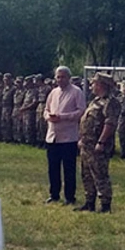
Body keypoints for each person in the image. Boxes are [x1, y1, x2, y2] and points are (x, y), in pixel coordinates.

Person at [75, 73, 121, 213]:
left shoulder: (110, 102)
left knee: (100, 175)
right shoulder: (95, 101)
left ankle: (105, 205)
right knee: (86, 174)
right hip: (87, 144)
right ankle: (89, 202)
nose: (91, 86)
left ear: (101, 85)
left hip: (98, 145)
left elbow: (110, 123)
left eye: (94, 83)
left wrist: (101, 142)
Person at [43, 66, 86, 205]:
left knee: (69, 169)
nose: (60, 79)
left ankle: (69, 197)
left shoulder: (76, 92)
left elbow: (81, 111)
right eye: (58, 77)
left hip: (68, 137)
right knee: (53, 168)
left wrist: (62, 117)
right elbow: (46, 109)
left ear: (69, 77)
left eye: (63, 77)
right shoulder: (53, 92)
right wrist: (48, 117)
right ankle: (54, 194)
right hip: (52, 136)